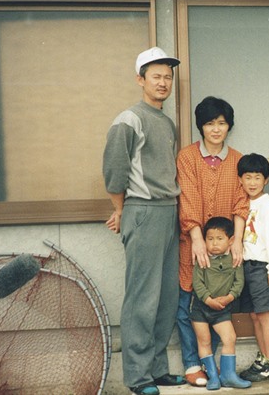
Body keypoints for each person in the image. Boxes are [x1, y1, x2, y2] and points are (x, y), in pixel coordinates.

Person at [102, 47, 185, 395]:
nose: (163, 82)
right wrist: (121, 210)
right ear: (141, 80)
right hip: (143, 210)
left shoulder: (167, 122)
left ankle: (157, 369)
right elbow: (114, 171)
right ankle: (137, 377)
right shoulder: (128, 119)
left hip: (170, 211)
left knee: (166, 296)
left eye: (168, 76)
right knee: (142, 297)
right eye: (156, 76)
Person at [176, 96, 249, 387]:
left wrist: (238, 241)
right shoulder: (187, 157)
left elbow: (241, 204)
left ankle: (217, 369)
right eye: (209, 123)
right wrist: (196, 238)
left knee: (221, 307)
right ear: (200, 127)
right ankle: (193, 364)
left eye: (221, 123)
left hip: (226, 245)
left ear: (229, 125)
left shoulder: (238, 160)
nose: (216, 129)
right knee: (188, 304)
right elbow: (188, 198)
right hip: (194, 242)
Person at [236, 153, 269, 382]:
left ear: (266, 180)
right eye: (248, 177)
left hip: (262, 266)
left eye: (257, 177)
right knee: (255, 315)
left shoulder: (267, 204)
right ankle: (263, 358)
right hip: (246, 266)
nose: (252, 182)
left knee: (265, 315)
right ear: (240, 180)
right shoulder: (243, 203)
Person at [191, 216, 251, 390]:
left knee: (229, 338)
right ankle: (213, 377)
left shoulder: (234, 258)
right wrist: (209, 300)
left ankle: (228, 375)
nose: (214, 244)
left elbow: (239, 283)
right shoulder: (203, 258)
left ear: (230, 240)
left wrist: (229, 297)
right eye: (210, 239)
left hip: (222, 309)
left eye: (219, 239)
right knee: (204, 341)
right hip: (201, 308)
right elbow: (197, 283)